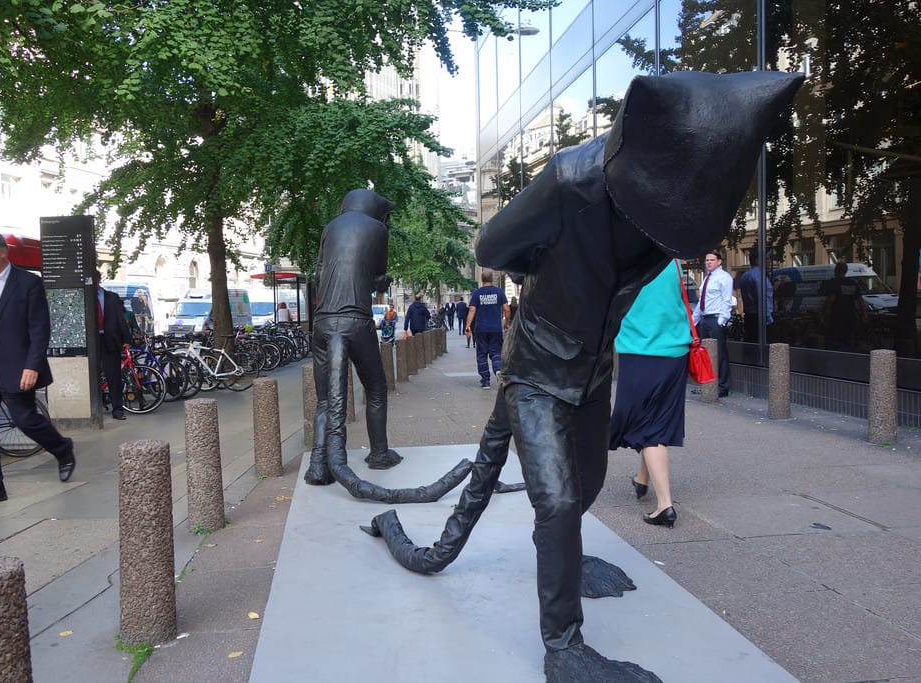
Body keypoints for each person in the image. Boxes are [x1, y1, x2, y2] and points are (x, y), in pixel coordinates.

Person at [363, 70, 803, 681]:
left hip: (594, 365)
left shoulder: (666, 217)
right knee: (558, 498)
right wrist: (541, 267)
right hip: (537, 369)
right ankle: (562, 644)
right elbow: (492, 247)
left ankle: (566, 559)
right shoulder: (571, 178)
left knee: (589, 476)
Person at [0, 230, 77, 510]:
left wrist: (32, 365)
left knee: (25, 420)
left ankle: (62, 448)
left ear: (2, 252)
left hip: (13, 366)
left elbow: (39, 329)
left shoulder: (27, 283)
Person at [306, 188, 402, 486]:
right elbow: (376, 277)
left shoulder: (330, 227)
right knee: (375, 388)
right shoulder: (377, 229)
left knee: (326, 400)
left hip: (323, 324)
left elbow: (319, 274)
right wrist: (380, 282)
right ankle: (379, 454)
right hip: (356, 321)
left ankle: (319, 466)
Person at [610, 259, 691, 529]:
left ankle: (664, 505)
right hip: (676, 352)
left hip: (640, 350)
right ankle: (642, 478)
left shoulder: (628, 262)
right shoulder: (673, 261)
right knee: (653, 417)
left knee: (647, 426)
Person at [692, 249, 733, 397]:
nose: (708, 262)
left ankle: (722, 387)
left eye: (711, 260)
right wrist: (693, 320)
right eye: (707, 260)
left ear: (719, 261)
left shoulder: (724, 278)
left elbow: (726, 300)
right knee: (705, 354)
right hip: (705, 319)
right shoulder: (706, 278)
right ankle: (707, 385)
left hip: (716, 319)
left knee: (720, 354)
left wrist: (721, 321)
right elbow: (701, 301)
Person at [465, 270, 510, 389]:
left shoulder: (477, 293)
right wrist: (507, 323)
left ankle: (485, 381)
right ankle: (498, 370)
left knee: (482, 354)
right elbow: (507, 309)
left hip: (481, 329)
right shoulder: (499, 292)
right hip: (495, 328)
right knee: (496, 352)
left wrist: (468, 327)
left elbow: (472, 310)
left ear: (482, 279)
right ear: (492, 279)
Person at [96, 272, 131, 420]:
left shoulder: (111, 297)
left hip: (110, 340)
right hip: (92, 341)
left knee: (114, 376)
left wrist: (126, 339)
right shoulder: (84, 296)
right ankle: (97, 403)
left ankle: (117, 409)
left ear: (98, 279)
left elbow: (120, 319)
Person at [820, 261, 866, 351]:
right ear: (846, 271)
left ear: (836, 270)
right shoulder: (853, 283)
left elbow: (830, 300)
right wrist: (863, 314)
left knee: (833, 341)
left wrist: (824, 314)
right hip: (851, 316)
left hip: (837, 316)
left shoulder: (834, 282)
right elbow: (860, 301)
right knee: (848, 340)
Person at [738, 251, 773, 343]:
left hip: (750, 316)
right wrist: (768, 318)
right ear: (758, 260)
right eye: (767, 259)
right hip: (760, 317)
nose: (769, 261)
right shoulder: (759, 275)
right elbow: (762, 297)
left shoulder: (746, 275)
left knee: (750, 346)